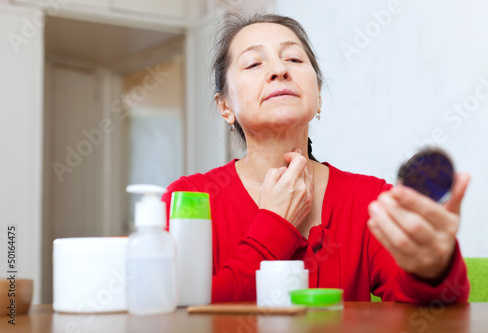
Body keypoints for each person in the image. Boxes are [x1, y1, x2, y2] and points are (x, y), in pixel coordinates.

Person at [162, 12, 470, 303]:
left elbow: (424, 316)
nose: (279, 70)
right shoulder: (188, 200)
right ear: (225, 107)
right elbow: (180, 312)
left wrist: (433, 271)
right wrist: (275, 227)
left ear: (318, 95)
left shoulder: (370, 201)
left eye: (294, 59)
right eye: (254, 64)